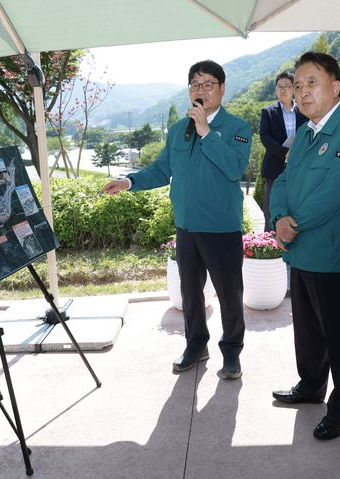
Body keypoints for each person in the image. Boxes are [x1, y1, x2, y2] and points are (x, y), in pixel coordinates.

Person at [101, 60, 251, 380]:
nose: (200, 91)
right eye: (195, 85)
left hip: (222, 228)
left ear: (222, 89)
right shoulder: (176, 131)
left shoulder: (237, 128)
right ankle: (196, 345)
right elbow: (160, 170)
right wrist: (128, 182)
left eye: (208, 84)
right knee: (190, 294)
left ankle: (232, 353)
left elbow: (234, 169)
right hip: (186, 226)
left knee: (229, 295)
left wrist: (206, 132)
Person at [269, 52, 340, 441]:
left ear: (335, 86)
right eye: (297, 85)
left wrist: (292, 223)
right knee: (308, 327)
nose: (302, 91)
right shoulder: (305, 132)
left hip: (331, 253)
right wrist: (279, 215)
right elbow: (281, 180)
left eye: (311, 82)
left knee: (338, 333)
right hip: (300, 250)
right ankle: (311, 385)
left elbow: (334, 192)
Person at [259, 72, 308, 231]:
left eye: (287, 86)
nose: (283, 90)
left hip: (298, 166)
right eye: (279, 87)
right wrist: (284, 152)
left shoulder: (303, 111)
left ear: (294, 89)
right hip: (274, 165)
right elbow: (264, 136)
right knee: (272, 205)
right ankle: (270, 240)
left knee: (295, 205)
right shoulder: (268, 111)